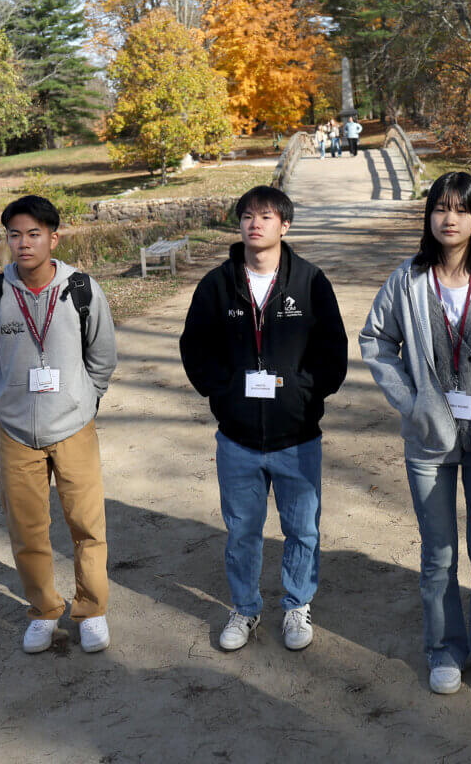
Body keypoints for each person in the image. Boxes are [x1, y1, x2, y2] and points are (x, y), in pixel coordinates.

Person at [359, 172, 471, 697]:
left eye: (462, 209)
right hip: (428, 441)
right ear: (429, 216)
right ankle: (444, 649)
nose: (449, 218)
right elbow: (375, 341)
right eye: (440, 208)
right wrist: (412, 403)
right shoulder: (408, 281)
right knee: (438, 552)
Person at [180, 185, 347, 652]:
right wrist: (226, 393)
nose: (256, 224)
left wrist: (302, 394)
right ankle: (245, 608)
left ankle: (297, 605)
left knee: (303, 529)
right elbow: (195, 348)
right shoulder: (217, 284)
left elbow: (333, 352)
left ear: (285, 225)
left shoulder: (310, 282)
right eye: (248, 216)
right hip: (237, 437)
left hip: (297, 435)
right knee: (243, 530)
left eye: (267, 216)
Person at [0, 195, 118, 654]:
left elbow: (103, 356)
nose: (23, 243)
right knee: (27, 530)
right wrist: (4, 399)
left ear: (54, 237)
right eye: (14, 234)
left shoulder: (82, 290)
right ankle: (43, 610)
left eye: (34, 234)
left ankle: (91, 610)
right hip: (16, 432)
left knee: (87, 525)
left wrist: (85, 400)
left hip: (73, 426)